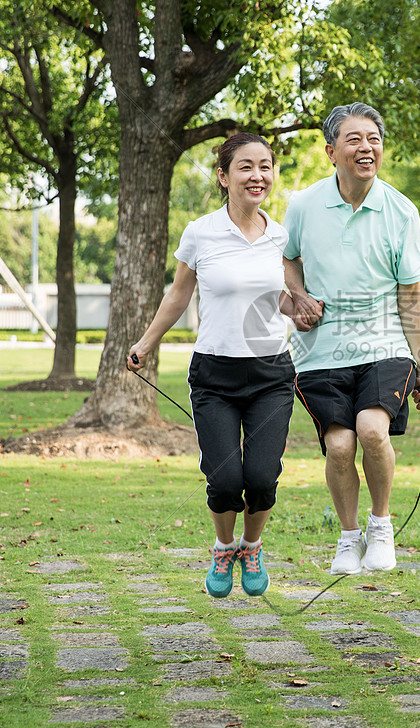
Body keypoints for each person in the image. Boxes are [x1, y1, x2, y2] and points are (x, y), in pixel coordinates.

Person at [127, 133, 295, 599]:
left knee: (261, 478)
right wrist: (145, 343)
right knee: (224, 482)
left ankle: (252, 546)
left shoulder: (281, 236)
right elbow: (179, 294)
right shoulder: (201, 232)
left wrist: (300, 307)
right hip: (215, 377)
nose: (257, 175)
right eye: (245, 166)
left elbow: (280, 297)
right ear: (224, 177)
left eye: (265, 166)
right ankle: (224, 548)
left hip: (270, 374)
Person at [283, 102, 420, 575]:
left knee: (372, 431)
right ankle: (348, 539)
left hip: (385, 343)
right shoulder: (303, 205)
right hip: (319, 351)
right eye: (354, 139)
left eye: (373, 139)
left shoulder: (401, 211)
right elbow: (288, 260)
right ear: (331, 151)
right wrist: (299, 295)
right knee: (340, 446)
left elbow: (411, 296)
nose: (366, 147)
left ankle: (382, 526)